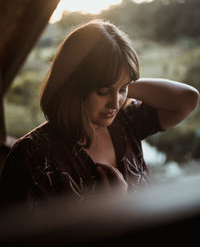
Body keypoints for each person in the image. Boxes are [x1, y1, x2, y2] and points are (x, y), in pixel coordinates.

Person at [0, 19, 199, 211]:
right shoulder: (30, 156)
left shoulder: (125, 123)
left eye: (123, 90)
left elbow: (187, 99)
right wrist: (109, 210)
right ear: (73, 86)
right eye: (103, 91)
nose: (115, 104)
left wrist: (119, 81)